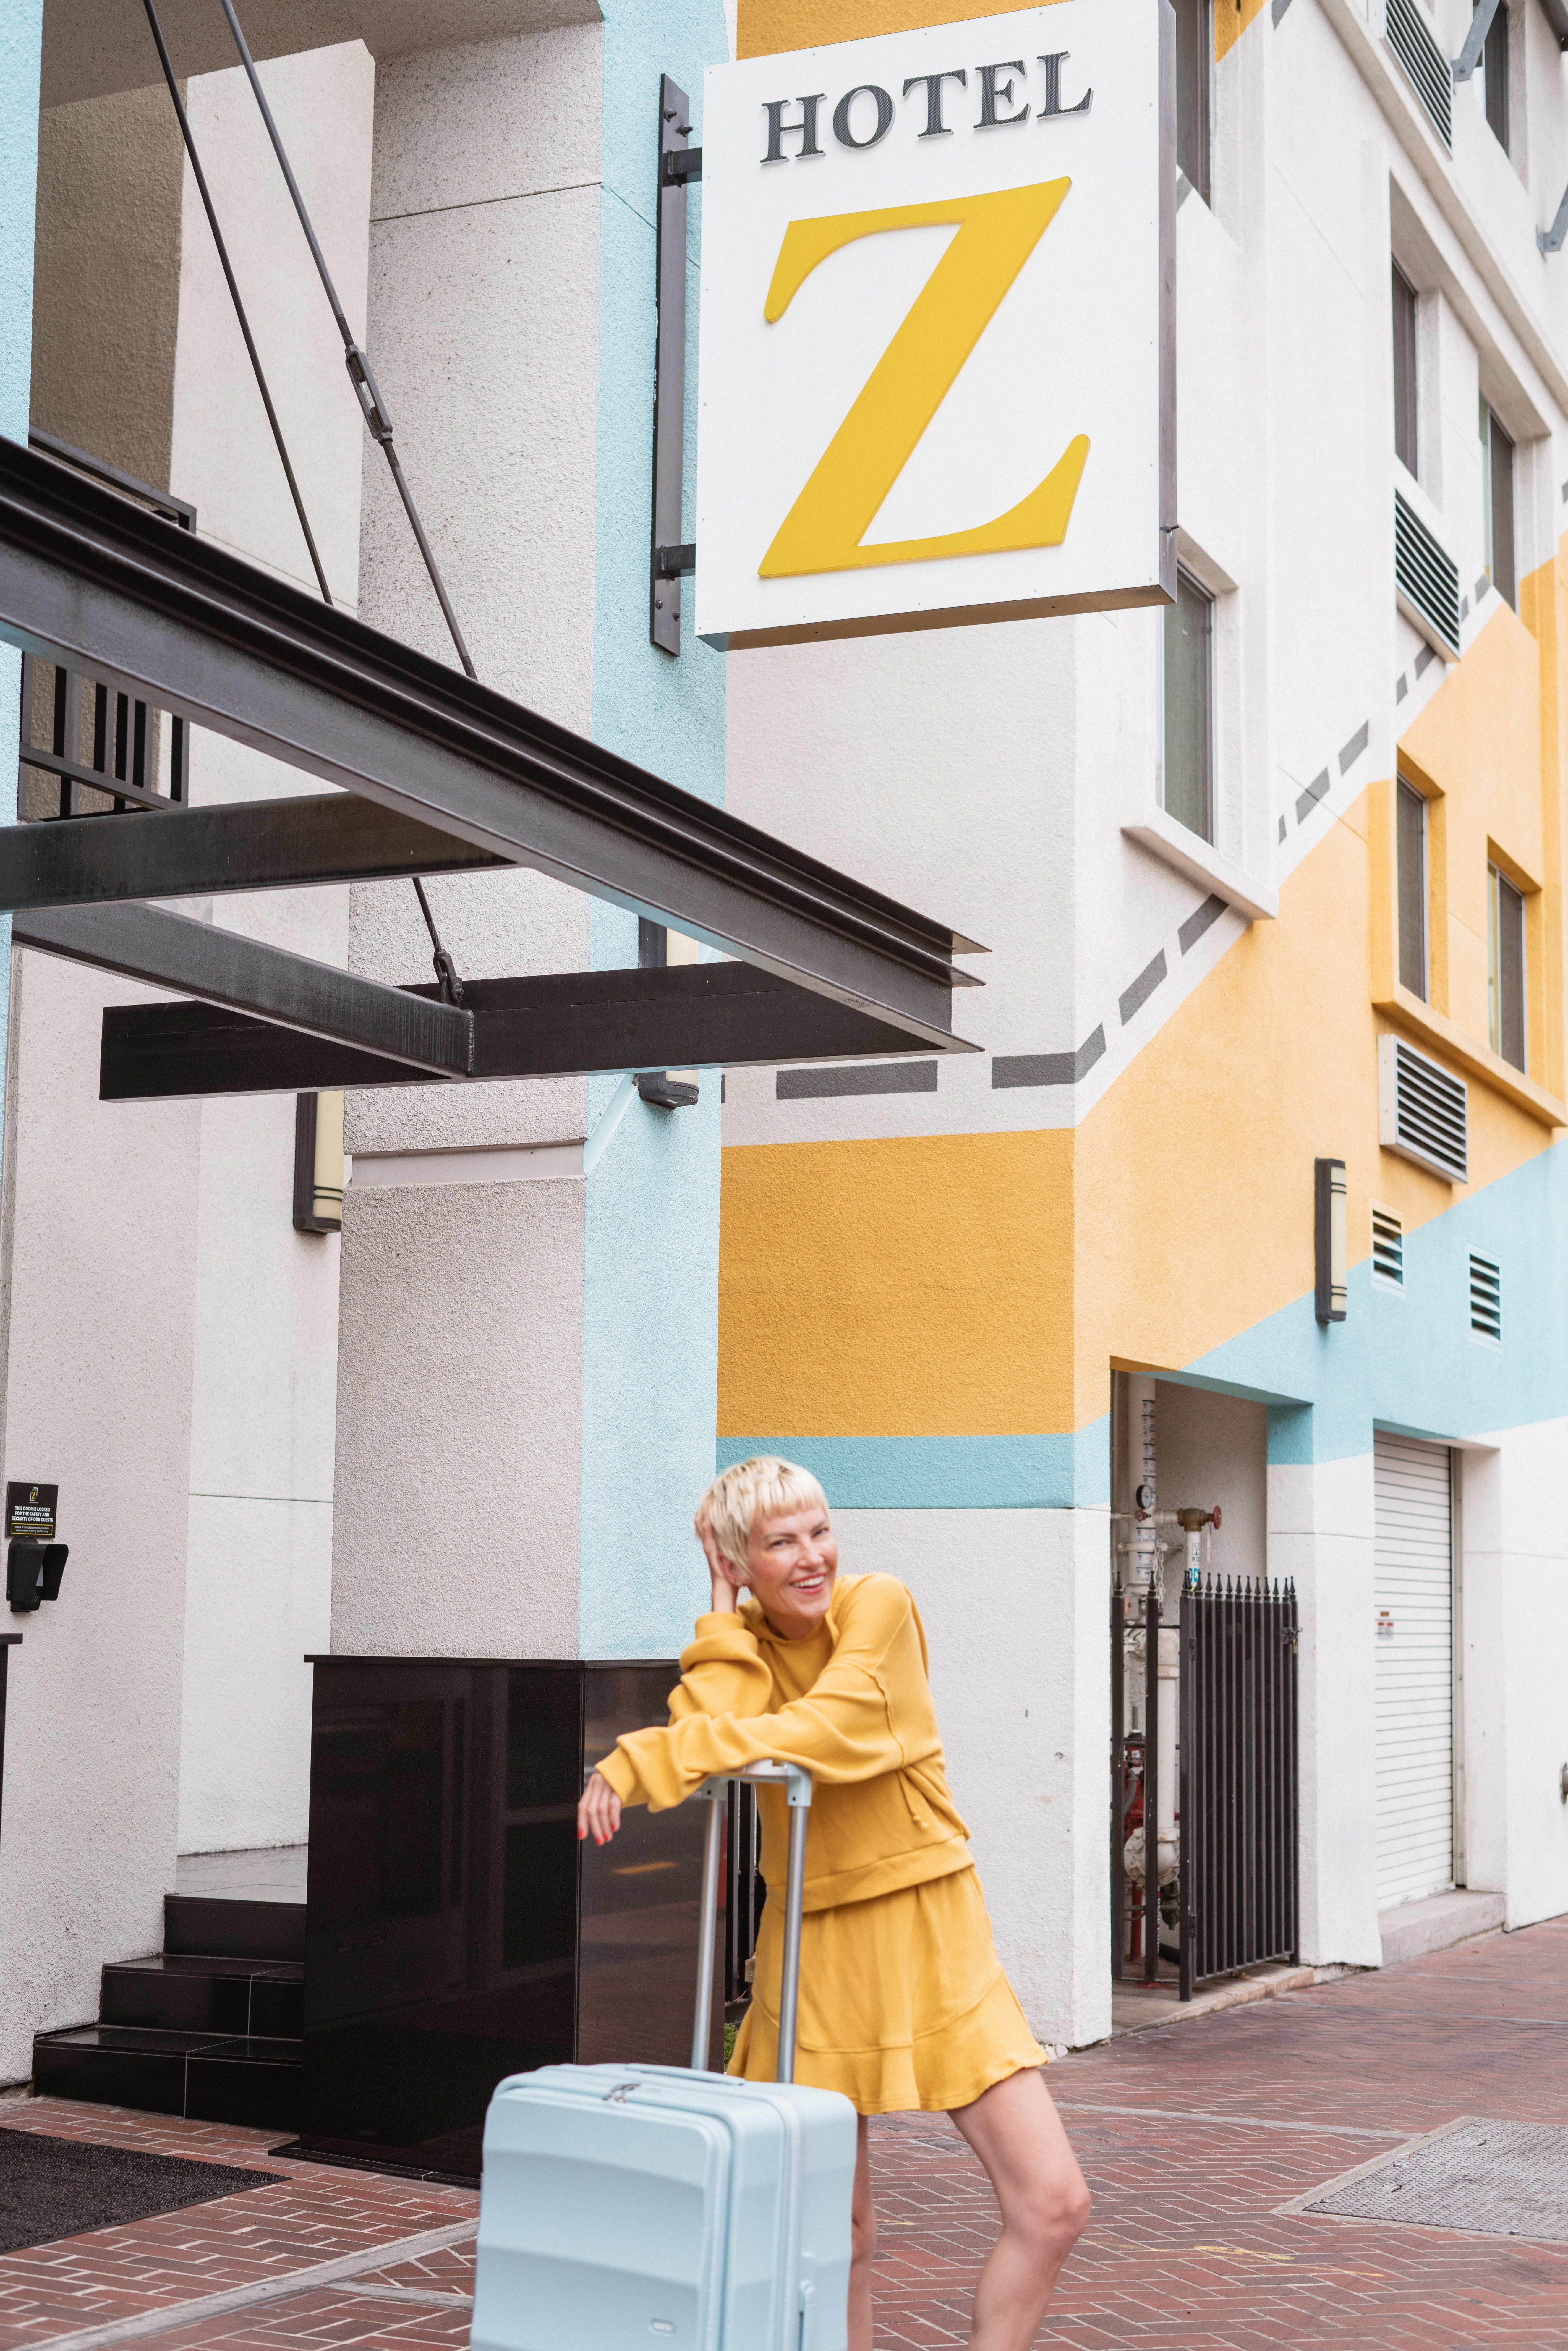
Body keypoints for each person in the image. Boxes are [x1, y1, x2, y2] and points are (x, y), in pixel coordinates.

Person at [577, 1456, 1090, 2351]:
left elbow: (830, 1730)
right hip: (810, 1949)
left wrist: (648, 1758)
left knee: (1054, 2204)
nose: (813, 1557)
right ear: (742, 1562)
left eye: (820, 1530)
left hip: (930, 1926)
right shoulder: (751, 1649)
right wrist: (720, 1607)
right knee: (835, 2238)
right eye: (781, 1543)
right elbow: (715, 1726)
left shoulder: (877, 1605)